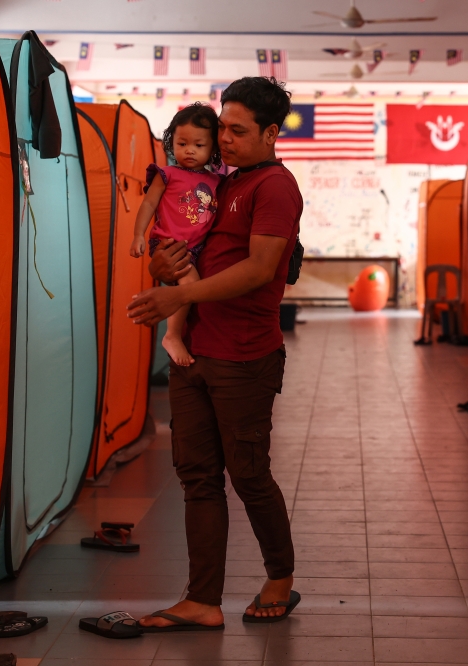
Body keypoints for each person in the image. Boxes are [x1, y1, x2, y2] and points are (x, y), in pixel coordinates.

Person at [126, 77, 303, 630]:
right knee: (197, 476)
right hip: (194, 353)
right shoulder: (218, 181)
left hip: (244, 356)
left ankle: (280, 578)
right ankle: (202, 600)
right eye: (221, 127)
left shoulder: (275, 187)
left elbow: (259, 269)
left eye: (238, 131)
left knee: (248, 474)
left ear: (271, 133)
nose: (223, 139)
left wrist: (179, 296)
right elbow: (183, 242)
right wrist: (162, 267)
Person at [129, 103, 221, 367]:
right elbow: (148, 204)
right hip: (169, 244)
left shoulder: (217, 182)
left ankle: (179, 333)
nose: (189, 150)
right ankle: (171, 335)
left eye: (199, 145)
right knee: (191, 284)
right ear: (172, 143)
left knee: (195, 286)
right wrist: (138, 235)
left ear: (213, 148)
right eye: (182, 144)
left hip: (196, 248)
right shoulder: (167, 174)